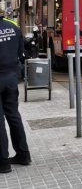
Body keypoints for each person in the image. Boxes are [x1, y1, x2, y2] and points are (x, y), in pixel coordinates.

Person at [0, 9, 31, 173]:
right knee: (14, 116)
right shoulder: (13, 27)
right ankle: (23, 154)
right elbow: (21, 53)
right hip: (12, 78)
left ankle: (3, 162)